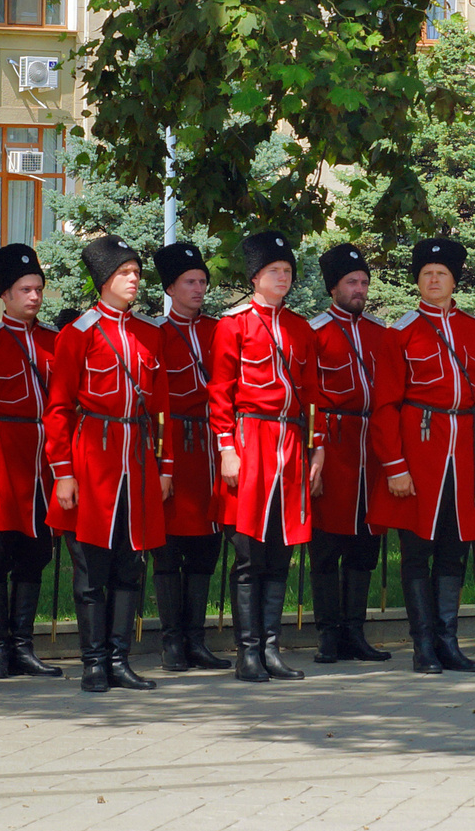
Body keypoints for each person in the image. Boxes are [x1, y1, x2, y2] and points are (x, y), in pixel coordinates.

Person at [44, 234, 173, 694]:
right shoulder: (77, 334)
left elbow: (162, 409)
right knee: (90, 569)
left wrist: (167, 467)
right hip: (92, 459)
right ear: (104, 280)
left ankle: (120, 659)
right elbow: (58, 409)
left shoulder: (149, 333)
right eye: (124, 272)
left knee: (129, 566)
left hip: (137, 460)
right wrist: (63, 473)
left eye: (137, 272)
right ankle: (93, 662)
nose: (134, 279)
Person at [376, 237, 475, 674]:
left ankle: (448, 640)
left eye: (442, 274)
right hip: (419, 451)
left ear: (454, 281)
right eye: (427, 274)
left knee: (455, 550)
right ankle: (423, 645)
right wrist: (395, 466)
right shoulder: (402, 331)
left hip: (465, 453)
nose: (434, 280)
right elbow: (385, 406)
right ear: (418, 281)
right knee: (417, 551)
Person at [209, 231, 316, 683]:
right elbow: (220, 392)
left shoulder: (300, 327)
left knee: (281, 552)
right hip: (250, 440)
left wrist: (319, 449)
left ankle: (272, 648)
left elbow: (314, 394)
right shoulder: (232, 325)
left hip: (290, 445)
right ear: (255, 277)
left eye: (288, 271)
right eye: (274, 271)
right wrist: (227, 449)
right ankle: (247, 652)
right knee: (249, 554)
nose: (282, 278)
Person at [0, 242, 64, 680]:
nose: (33, 297)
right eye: (24, 290)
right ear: (5, 295)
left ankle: (23, 646)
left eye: (38, 289)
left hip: (42, 464)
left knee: (35, 554)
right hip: (0, 458)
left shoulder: (53, 342)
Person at [307, 244, 396, 665]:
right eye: (351, 283)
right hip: (335, 446)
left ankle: (354, 632)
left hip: (372, 448)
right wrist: (315, 453)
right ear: (333, 288)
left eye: (363, 282)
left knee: (365, 543)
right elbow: (310, 400)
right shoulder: (316, 332)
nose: (359, 289)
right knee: (327, 544)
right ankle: (328, 633)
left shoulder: (381, 333)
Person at [148, 242, 225, 674]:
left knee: (206, 546)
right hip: (174, 441)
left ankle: (196, 640)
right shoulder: (157, 333)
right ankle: (171, 642)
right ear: (171, 288)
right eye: (189, 282)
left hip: (212, 447)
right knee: (169, 547)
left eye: (202, 281)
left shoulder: (219, 330)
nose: (198, 289)